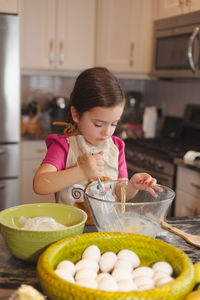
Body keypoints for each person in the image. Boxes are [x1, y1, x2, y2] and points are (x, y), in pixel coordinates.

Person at [33, 67, 161, 223]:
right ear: (76, 115)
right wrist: (82, 171)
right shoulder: (64, 146)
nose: (107, 133)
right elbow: (39, 185)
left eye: (114, 124)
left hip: (107, 230)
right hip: (70, 232)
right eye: (98, 124)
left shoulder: (116, 148)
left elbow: (120, 195)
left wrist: (133, 186)